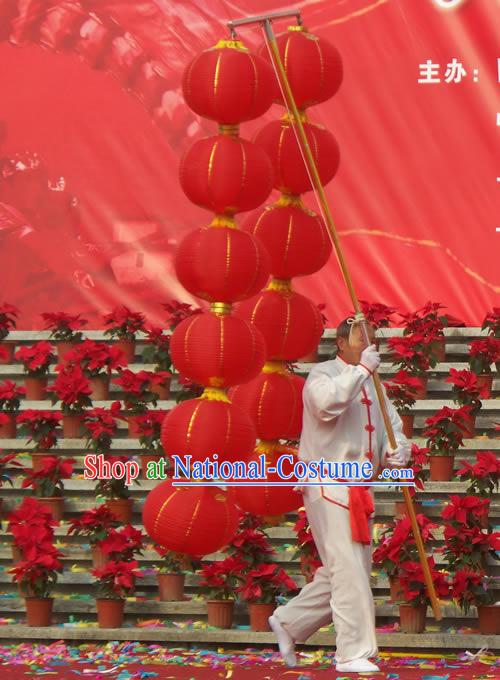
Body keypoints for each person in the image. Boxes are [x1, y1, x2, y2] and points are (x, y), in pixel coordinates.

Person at [269, 316, 411, 674]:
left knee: (344, 571)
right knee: (349, 569)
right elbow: (325, 405)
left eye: (371, 339)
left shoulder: (375, 385)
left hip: (358, 489)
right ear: (341, 344)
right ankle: (351, 652)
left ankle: (288, 621)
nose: (367, 344)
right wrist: (361, 370)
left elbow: (394, 430)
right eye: (359, 339)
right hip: (327, 483)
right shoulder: (323, 375)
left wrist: (398, 452)